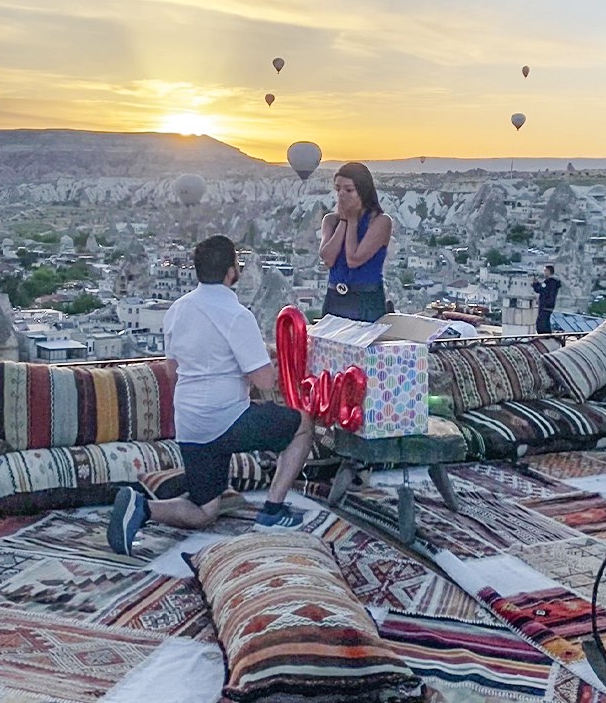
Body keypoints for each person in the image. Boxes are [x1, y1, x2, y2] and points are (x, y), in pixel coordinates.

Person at [107, 235, 317, 556]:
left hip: (190, 424)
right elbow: (262, 379)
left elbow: (172, 372)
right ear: (232, 271)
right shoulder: (237, 315)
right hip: (228, 420)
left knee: (205, 512)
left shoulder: (177, 310)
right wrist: (275, 366)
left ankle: (144, 508)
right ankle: (273, 510)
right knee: (302, 424)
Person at [319, 162, 392, 322]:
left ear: (363, 191)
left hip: (366, 299)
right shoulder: (331, 220)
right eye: (338, 189)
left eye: (349, 190)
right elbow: (328, 258)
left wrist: (352, 221)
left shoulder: (380, 222)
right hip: (335, 297)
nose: (341, 195)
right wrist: (344, 221)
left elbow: (354, 259)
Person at [533, 265, 561, 334]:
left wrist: (535, 284)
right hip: (549, 305)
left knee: (542, 323)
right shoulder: (553, 282)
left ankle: (545, 337)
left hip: (545, 305)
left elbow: (541, 289)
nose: (544, 272)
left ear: (549, 271)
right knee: (545, 321)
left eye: (545, 271)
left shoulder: (549, 282)